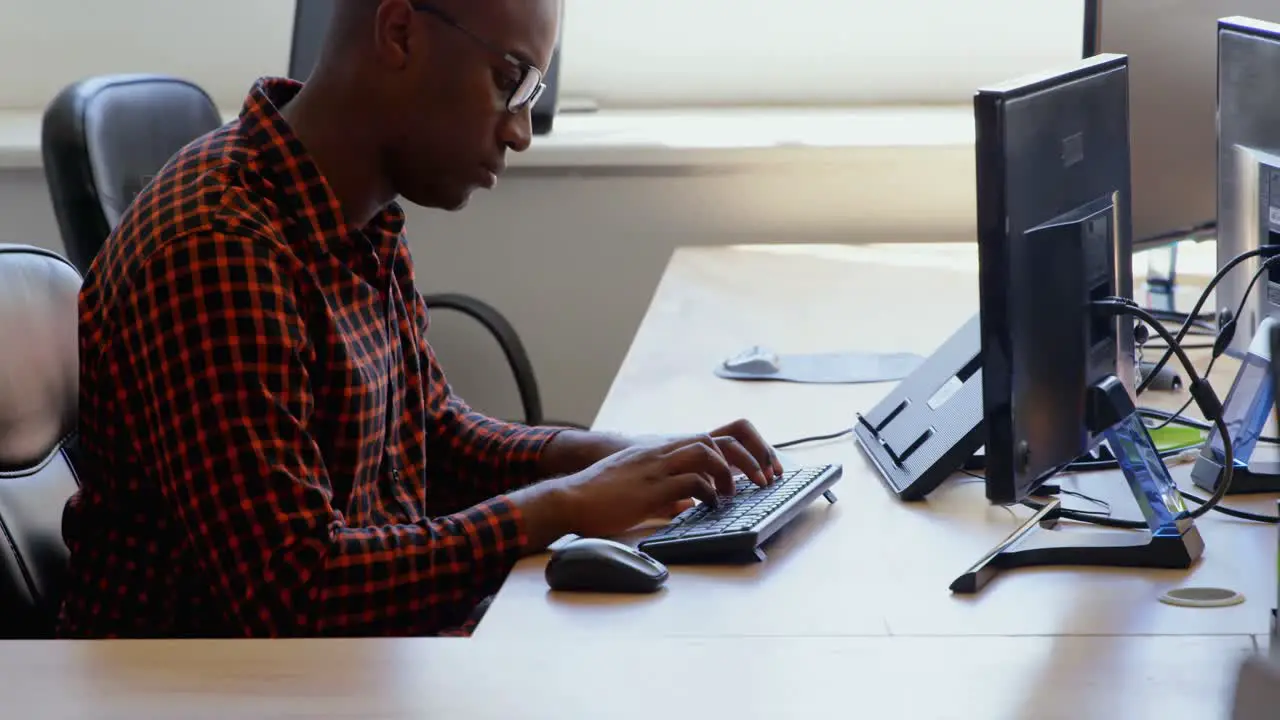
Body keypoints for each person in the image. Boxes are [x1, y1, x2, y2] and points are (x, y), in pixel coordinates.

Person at [56, 0, 782, 639]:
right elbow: (295, 592)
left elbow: (434, 434)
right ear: (400, 32)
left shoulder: (354, 213)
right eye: (510, 80)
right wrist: (561, 507)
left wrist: (617, 459)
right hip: (206, 692)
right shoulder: (220, 249)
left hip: (357, 662)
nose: (521, 131)